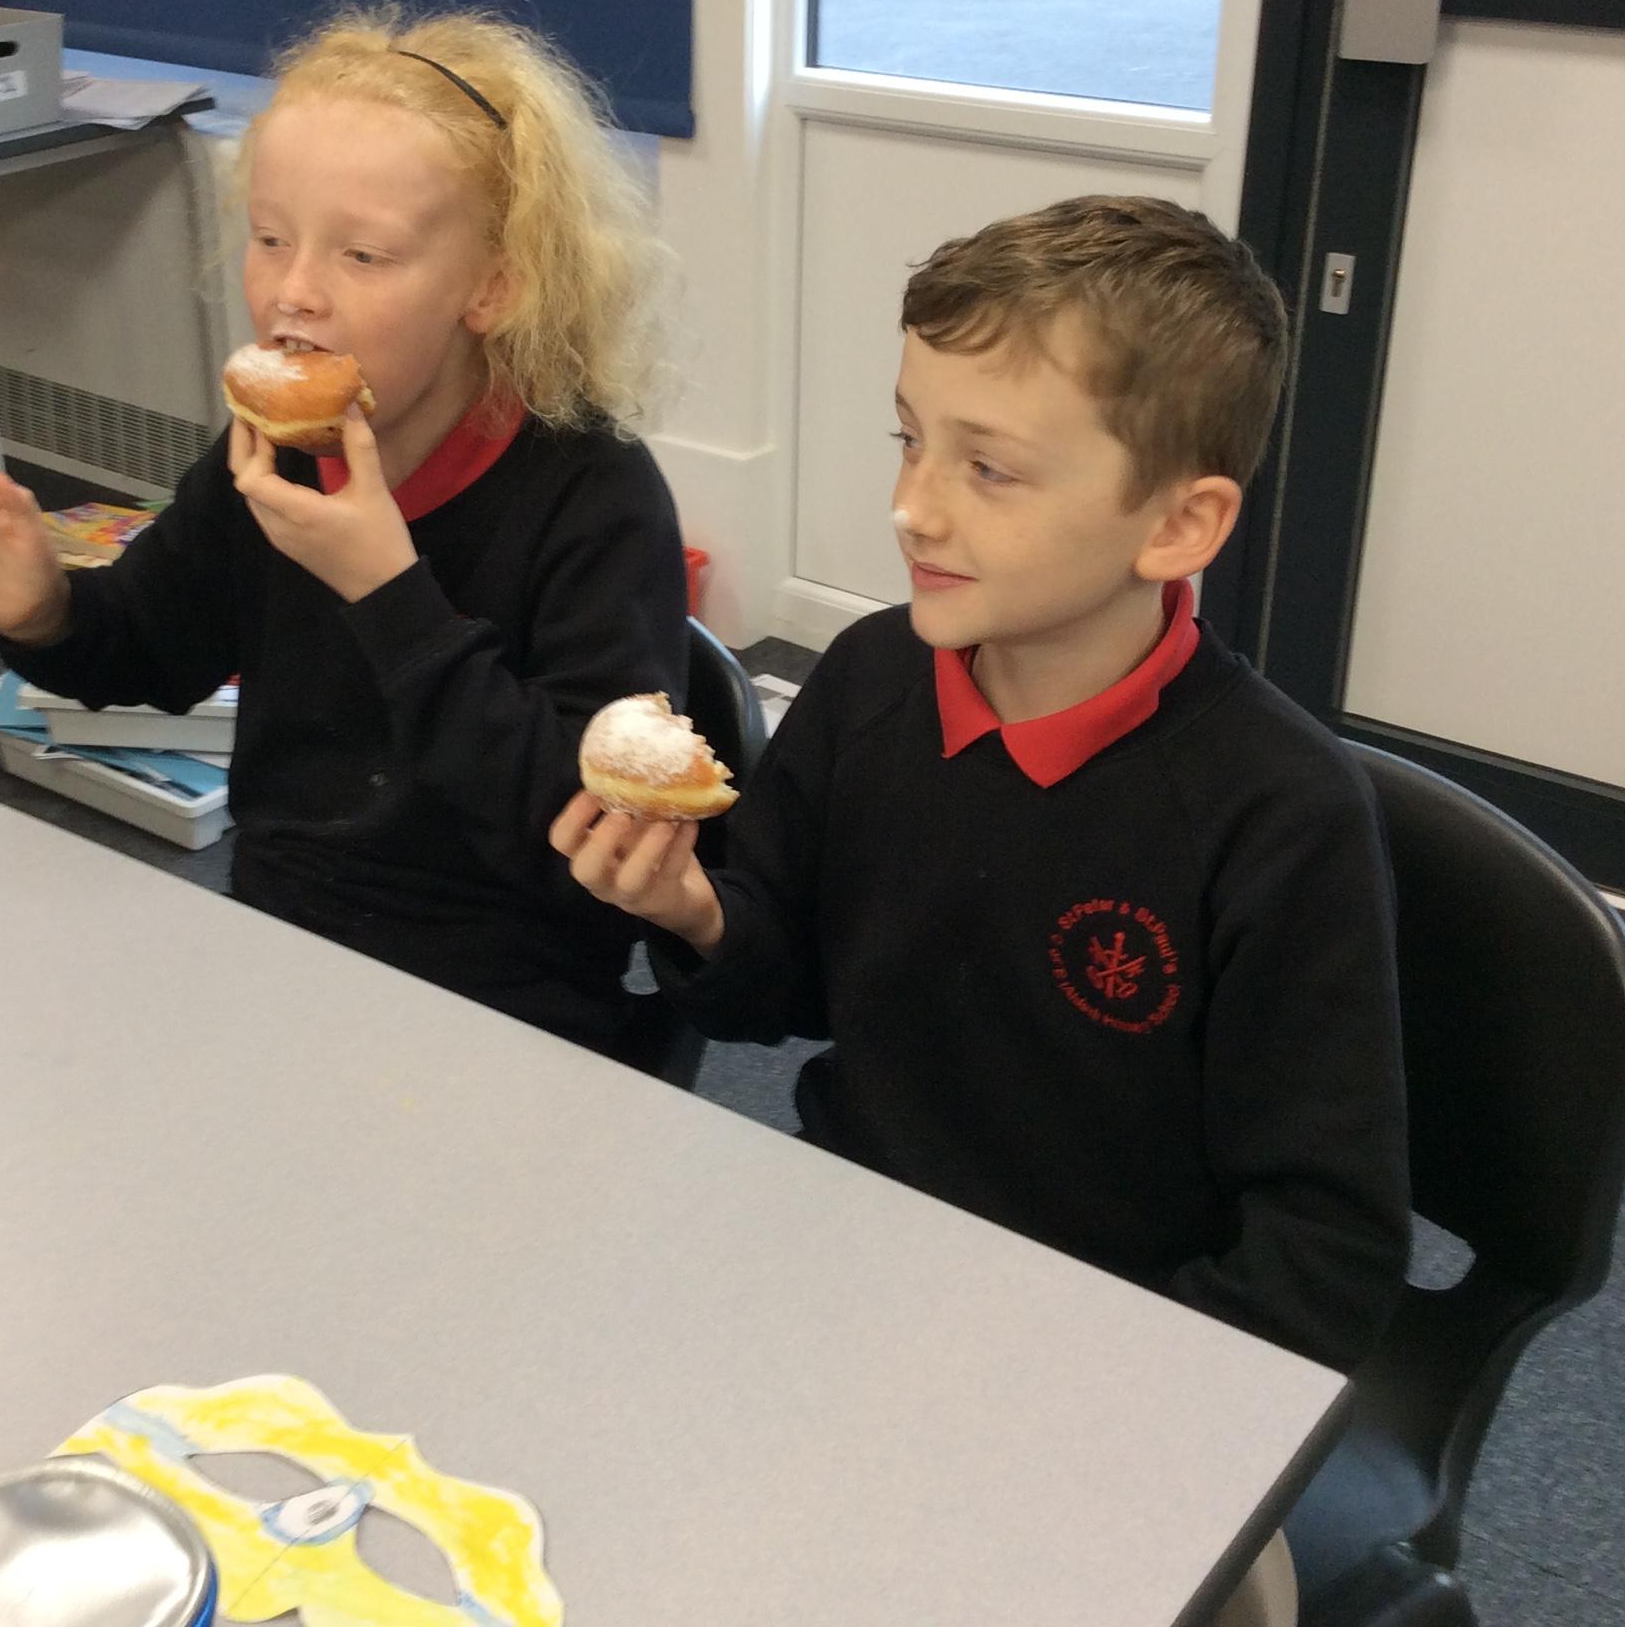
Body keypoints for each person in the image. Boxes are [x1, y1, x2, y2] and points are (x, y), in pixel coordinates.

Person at [552, 195, 1411, 1374]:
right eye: (910, 439)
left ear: (1179, 525)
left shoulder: (1279, 817)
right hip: (848, 1253)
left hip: (1108, 1346)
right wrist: (696, 913)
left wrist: (1089, 1389)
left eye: (990, 468)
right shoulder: (869, 681)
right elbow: (780, 992)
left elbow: (1325, 1251)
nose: (912, 506)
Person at [0, 7, 688, 1051]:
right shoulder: (271, 452)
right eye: (270, 238)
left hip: (507, 995)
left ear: (494, 286)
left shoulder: (595, 500)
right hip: (279, 939)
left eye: (363, 253)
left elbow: (593, 841)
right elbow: (149, 652)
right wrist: (44, 609)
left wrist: (390, 595)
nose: (293, 293)